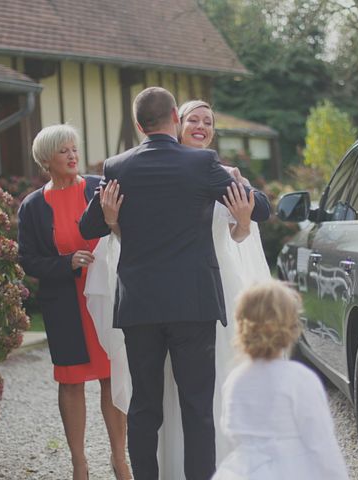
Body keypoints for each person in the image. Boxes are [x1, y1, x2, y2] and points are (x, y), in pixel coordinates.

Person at [80, 87, 271, 480]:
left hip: (140, 306)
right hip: (193, 305)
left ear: (138, 124)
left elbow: (88, 227)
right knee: (198, 408)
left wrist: (110, 214)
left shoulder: (118, 167)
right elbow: (261, 209)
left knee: (144, 408)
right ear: (174, 116)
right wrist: (240, 188)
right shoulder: (202, 165)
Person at [156, 100, 271, 479]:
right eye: (193, 120)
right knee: (176, 387)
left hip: (218, 286)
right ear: (177, 124)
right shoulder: (161, 170)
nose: (201, 126)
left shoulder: (219, 174)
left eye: (207, 121)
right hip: (171, 294)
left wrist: (241, 210)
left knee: (223, 377)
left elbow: (247, 224)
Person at [16, 124, 131, 480]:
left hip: (107, 297)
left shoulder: (101, 187)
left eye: (74, 148)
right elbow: (29, 260)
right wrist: (66, 264)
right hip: (64, 304)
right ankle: (79, 463)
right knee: (71, 382)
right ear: (46, 160)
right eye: (63, 150)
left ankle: (119, 458)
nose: (72, 155)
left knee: (112, 377)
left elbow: (128, 228)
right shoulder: (33, 206)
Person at [212, 280, 349, 480]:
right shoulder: (300, 379)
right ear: (291, 327)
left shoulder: (234, 380)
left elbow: (230, 429)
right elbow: (322, 444)